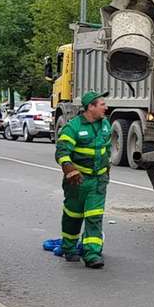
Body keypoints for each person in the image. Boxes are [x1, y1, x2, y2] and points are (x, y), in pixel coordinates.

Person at [55, 91, 112, 269]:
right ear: (91, 107)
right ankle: (69, 247)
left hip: (98, 181)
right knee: (73, 215)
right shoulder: (72, 127)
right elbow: (62, 151)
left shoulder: (105, 125)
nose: (106, 108)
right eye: (102, 104)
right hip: (78, 181)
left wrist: (106, 171)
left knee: (94, 217)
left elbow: (107, 149)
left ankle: (92, 253)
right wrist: (69, 169)